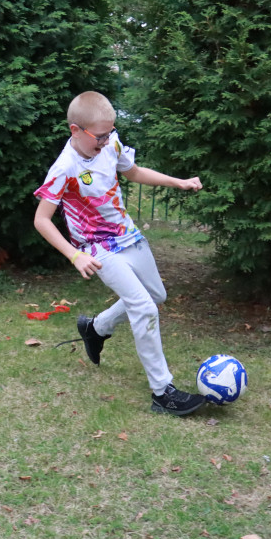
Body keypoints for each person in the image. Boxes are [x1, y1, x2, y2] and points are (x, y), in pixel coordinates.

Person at [33, 91, 204, 416]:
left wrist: (177, 182)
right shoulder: (64, 168)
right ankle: (162, 392)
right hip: (96, 248)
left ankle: (95, 328)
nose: (107, 140)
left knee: (156, 295)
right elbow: (42, 220)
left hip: (127, 235)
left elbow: (133, 172)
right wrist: (74, 255)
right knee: (144, 308)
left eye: (110, 132)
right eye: (99, 136)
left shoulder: (109, 142)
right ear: (75, 130)